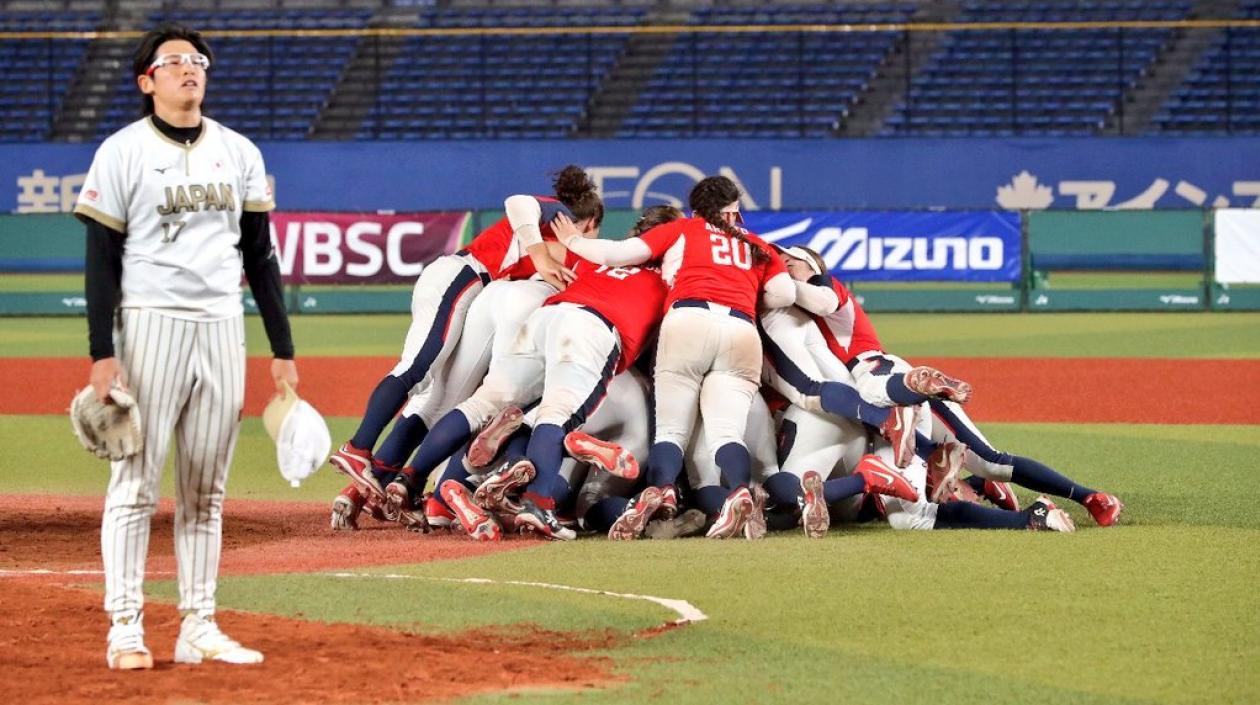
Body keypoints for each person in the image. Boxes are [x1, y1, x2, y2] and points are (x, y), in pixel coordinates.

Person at [74, 23, 297, 670]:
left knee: (206, 490)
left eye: (196, 60)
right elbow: (100, 256)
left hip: (222, 325)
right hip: (150, 323)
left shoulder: (239, 151)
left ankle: (198, 623)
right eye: (173, 62)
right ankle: (125, 626)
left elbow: (260, 256)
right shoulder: (121, 152)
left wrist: (281, 345)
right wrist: (100, 349)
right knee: (135, 484)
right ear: (147, 82)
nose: (188, 69)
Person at [329, 169, 602, 500]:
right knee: (418, 369)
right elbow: (517, 202)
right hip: (462, 275)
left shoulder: (552, 242)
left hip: (473, 292)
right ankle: (358, 450)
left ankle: (374, 485)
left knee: (435, 396)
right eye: (595, 231)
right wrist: (542, 254)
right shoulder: (559, 219)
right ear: (588, 223)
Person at [559, 176, 796, 539]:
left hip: (689, 319)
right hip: (741, 328)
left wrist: (571, 240)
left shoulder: (683, 229)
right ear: (731, 209)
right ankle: (738, 493)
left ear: (696, 208)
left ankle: (663, 490)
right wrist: (743, 296)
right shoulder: (754, 244)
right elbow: (784, 293)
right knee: (726, 432)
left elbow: (617, 254)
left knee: (671, 429)